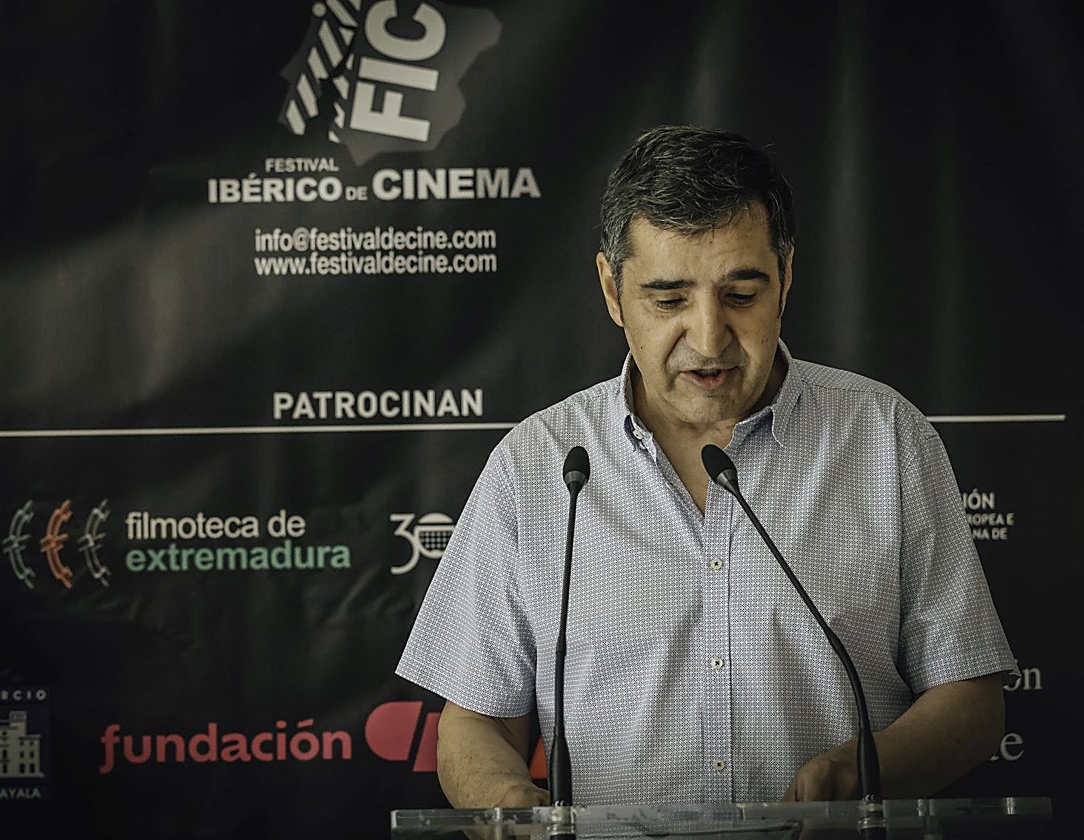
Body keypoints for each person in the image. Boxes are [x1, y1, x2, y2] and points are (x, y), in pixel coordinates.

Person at [396, 125, 1015, 808]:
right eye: (669, 300)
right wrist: (505, 801)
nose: (710, 337)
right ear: (611, 290)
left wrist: (857, 773)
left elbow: (970, 696)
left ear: (786, 277)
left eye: (742, 295)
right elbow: (477, 720)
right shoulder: (535, 466)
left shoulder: (886, 437)